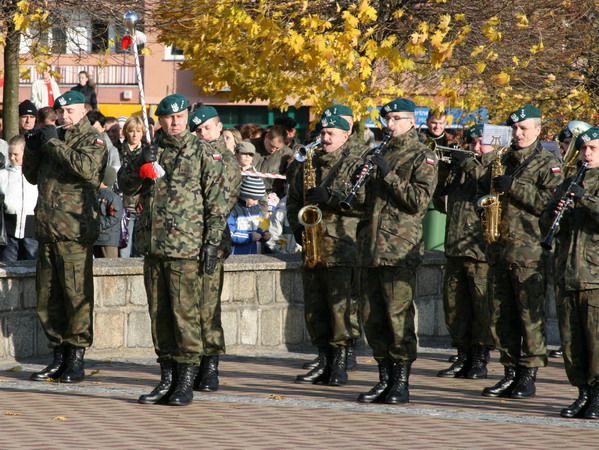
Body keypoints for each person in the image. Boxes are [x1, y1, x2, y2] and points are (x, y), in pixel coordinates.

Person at [118, 94, 228, 407]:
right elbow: (125, 186)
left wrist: (212, 241)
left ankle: (185, 381)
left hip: (186, 246)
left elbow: (216, 202)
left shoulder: (202, 152)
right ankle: (166, 378)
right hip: (154, 246)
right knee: (160, 316)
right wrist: (141, 164)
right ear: (161, 121)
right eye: (169, 118)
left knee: (185, 316)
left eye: (180, 116)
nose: (175, 122)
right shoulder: (153, 152)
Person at [479, 105, 564, 399]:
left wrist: (513, 186)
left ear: (538, 130)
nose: (518, 133)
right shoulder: (505, 159)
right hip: (500, 249)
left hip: (529, 252)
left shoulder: (548, 162)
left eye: (524, 128)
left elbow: (550, 203)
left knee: (529, 317)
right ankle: (509, 372)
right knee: (501, 316)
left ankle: (528, 375)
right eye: (515, 128)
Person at [356, 98, 438, 404]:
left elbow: (418, 200)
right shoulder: (378, 152)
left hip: (398, 246)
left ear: (411, 121)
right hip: (371, 246)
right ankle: (384, 377)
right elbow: (365, 202)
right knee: (372, 316)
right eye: (386, 119)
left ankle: (401, 381)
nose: (389, 125)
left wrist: (388, 174)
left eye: (395, 119)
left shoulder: (422, 154)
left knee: (397, 315)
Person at [23, 90, 107, 384]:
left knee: (76, 296)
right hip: (47, 229)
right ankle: (57, 356)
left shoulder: (92, 140)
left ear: (84, 110)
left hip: (74, 232)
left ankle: (76, 359)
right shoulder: (52, 138)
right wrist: (33, 147)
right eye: (61, 112)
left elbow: (87, 170)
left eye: (71, 111)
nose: (65, 117)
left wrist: (53, 142)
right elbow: (33, 177)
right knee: (48, 298)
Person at [287, 114, 367, 386]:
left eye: (332, 133)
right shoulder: (310, 160)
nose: (325, 138)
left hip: (342, 247)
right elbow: (294, 199)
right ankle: (322, 360)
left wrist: (330, 198)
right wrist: (297, 228)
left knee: (340, 308)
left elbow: (366, 201)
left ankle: (340, 364)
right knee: (315, 307)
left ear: (346, 135)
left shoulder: (358, 161)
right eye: (323, 132)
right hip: (313, 244)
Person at [540, 126, 599, 419]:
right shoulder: (570, 179)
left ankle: (598, 394)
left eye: (593, 149)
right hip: (567, 272)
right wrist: (552, 212)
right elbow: (544, 218)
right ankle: (583, 392)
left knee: (595, 340)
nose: (586, 154)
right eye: (584, 149)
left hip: (594, 275)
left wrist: (585, 198)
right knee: (572, 340)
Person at [433, 124, 495, 379]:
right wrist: (446, 167)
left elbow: (489, 185)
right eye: (472, 143)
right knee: (455, 307)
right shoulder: (463, 168)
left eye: (481, 143)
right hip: (456, 248)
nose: (475, 148)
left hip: (481, 251)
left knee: (481, 308)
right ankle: (462, 355)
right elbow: (438, 199)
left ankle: (480, 358)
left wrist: (467, 164)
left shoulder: (495, 167)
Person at [188, 105, 241, 392]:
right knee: (190, 308)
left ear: (219, 128)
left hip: (213, 243)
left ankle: (210, 367)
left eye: (206, 128)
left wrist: (211, 241)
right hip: (188, 242)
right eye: (196, 130)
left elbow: (221, 203)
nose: (202, 134)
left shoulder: (225, 160)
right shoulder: (194, 155)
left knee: (208, 307)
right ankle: (192, 363)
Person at [0, 136, 39, 262]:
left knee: (33, 269)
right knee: (8, 268)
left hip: (32, 231)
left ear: (25, 153)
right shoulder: (3, 174)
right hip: (8, 232)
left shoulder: (37, 175)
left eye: (16, 154)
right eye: (10, 154)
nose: (12, 158)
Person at [118, 116, 146, 258]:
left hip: (142, 206)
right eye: (131, 131)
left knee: (141, 251)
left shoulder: (147, 152)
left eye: (138, 131)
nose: (135, 134)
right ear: (125, 132)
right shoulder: (118, 150)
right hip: (123, 207)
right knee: (124, 251)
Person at [229, 177, 271, 255]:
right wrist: (249, 236)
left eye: (258, 200)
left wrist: (265, 233)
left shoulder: (256, 208)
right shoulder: (233, 210)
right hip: (235, 253)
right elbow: (230, 233)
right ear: (244, 195)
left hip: (254, 252)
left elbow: (260, 225)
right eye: (254, 199)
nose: (256, 202)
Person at [251, 125, 293, 198]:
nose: (273, 150)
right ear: (267, 136)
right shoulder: (250, 146)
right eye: (271, 145)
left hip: (270, 196)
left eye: (277, 148)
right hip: (248, 193)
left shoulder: (286, 154)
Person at [93, 166, 122, 258]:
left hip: (108, 239)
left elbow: (115, 217)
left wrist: (98, 225)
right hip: (95, 238)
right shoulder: (93, 194)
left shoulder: (113, 197)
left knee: (110, 267)